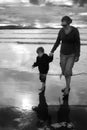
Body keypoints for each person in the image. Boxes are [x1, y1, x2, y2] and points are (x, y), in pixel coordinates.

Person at [49, 16, 81, 95]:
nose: (63, 25)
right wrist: (52, 51)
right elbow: (57, 42)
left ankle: (67, 88)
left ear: (68, 23)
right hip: (62, 54)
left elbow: (78, 43)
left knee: (67, 71)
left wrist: (77, 55)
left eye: (64, 22)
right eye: (62, 22)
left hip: (72, 54)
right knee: (64, 71)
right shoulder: (61, 31)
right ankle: (68, 86)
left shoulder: (75, 31)